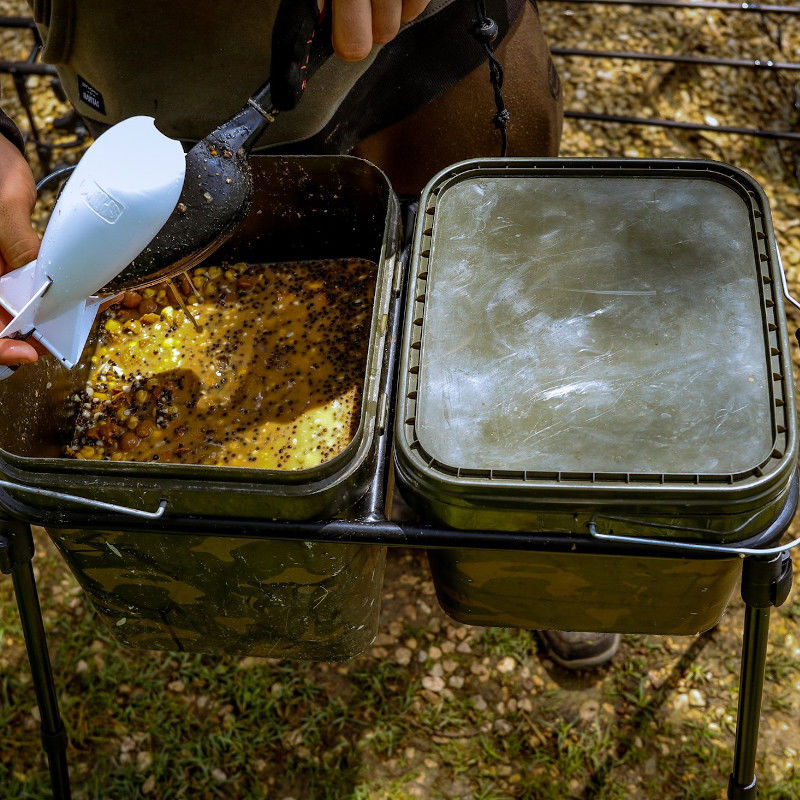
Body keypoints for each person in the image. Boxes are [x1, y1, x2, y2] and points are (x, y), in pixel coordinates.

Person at [0, 0, 618, 668]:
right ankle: (278, 574)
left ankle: (542, 554)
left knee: (502, 321)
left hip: (438, 47)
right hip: (158, 79)